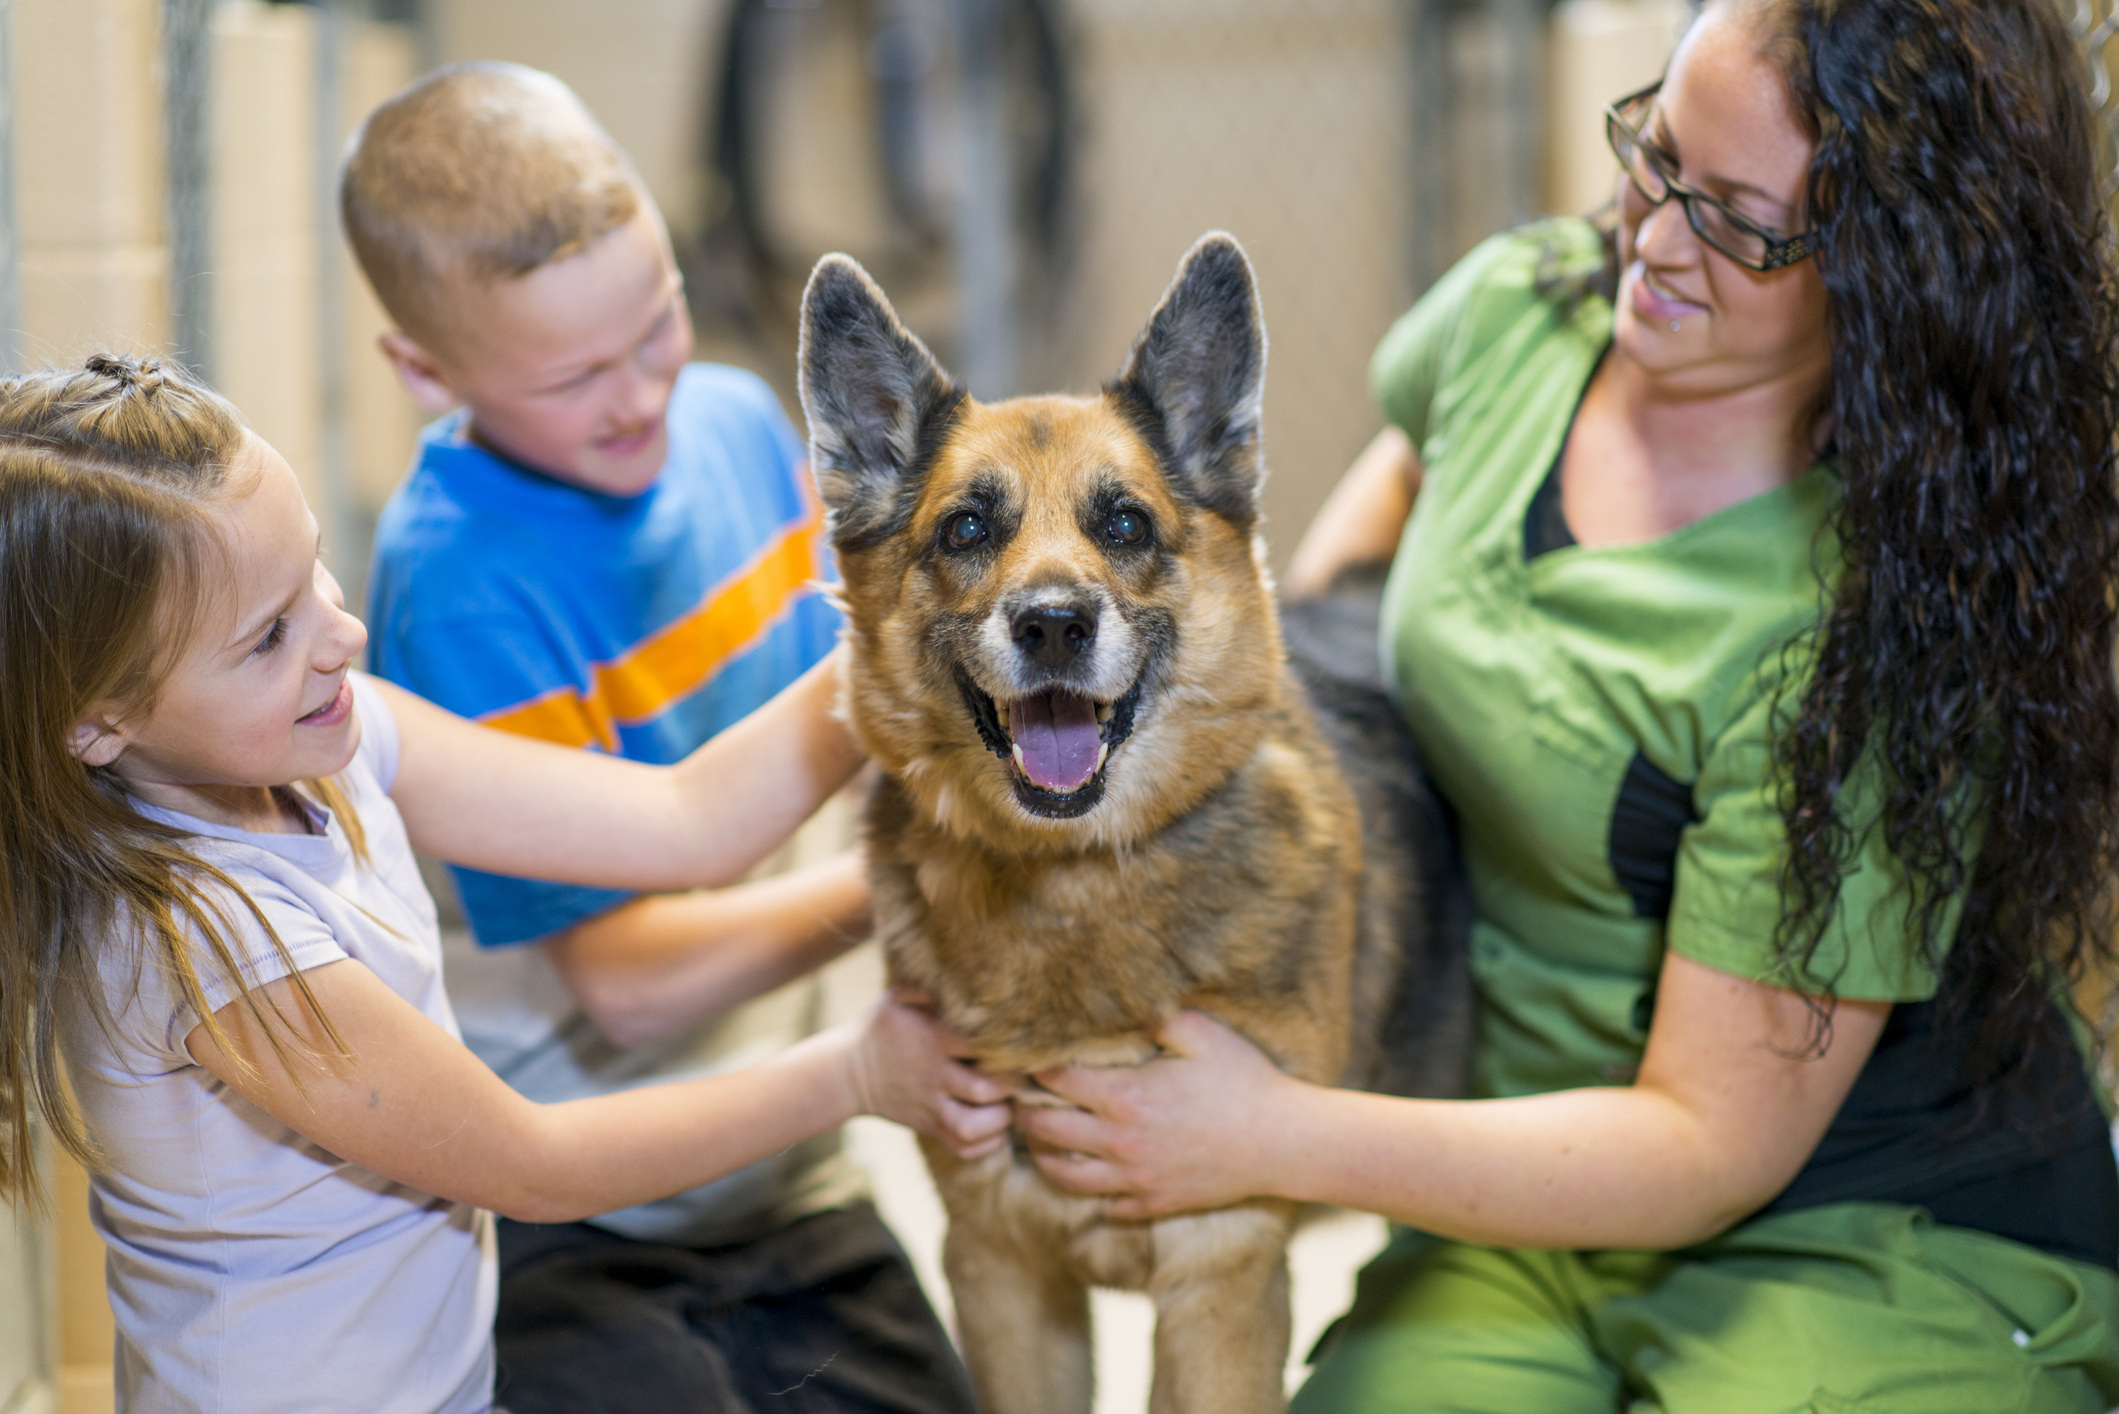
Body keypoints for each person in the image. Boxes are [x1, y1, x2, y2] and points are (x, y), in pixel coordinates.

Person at [1015, 1, 2119, 1409]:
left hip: (1851, 1221)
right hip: (1518, 1173)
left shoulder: (1862, 627)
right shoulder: (1519, 312)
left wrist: (1271, 1133)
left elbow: (1709, 1143)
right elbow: (1368, 561)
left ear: (1886, 278)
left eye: (1732, 220)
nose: (1650, 242)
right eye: (1652, 155)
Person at [0, 355, 1011, 1413]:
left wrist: (902, 631)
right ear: (99, 720)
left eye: (315, 573)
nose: (340, 635)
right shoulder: (205, 940)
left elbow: (689, 821)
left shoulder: (329, 740)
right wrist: (857, 1074)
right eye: (268, 636)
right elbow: (537, 1166)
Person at [341, 64, 976, 1412]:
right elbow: (623, 983)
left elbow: (883, 746)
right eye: (573, 376)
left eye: (656, 322)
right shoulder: (457, 577)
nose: (637, 397)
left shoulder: (741, 424)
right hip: (576, 1197)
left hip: (785, 1158)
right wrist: (907, 889)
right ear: (422, 370)